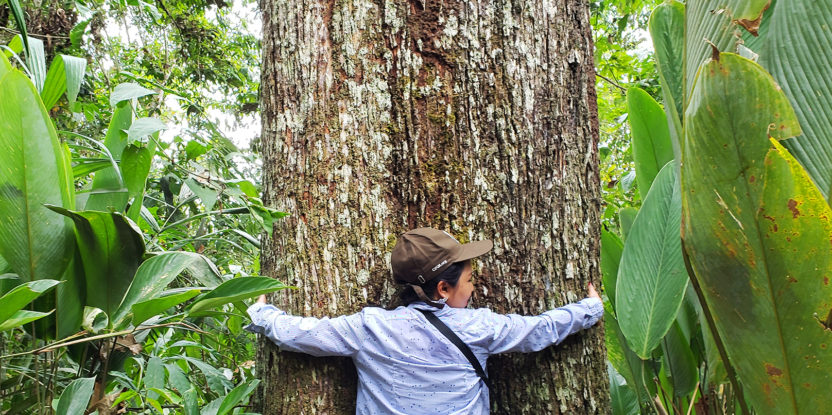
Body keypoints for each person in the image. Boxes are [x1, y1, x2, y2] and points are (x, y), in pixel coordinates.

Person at [246, 227, 603, 414]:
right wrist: (590, 308)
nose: (475, 287)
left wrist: (263, 314)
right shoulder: (478, 327)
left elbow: (302, 333)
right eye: (470, 280)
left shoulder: (370, 328)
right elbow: (539, 329)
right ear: (444, 288)